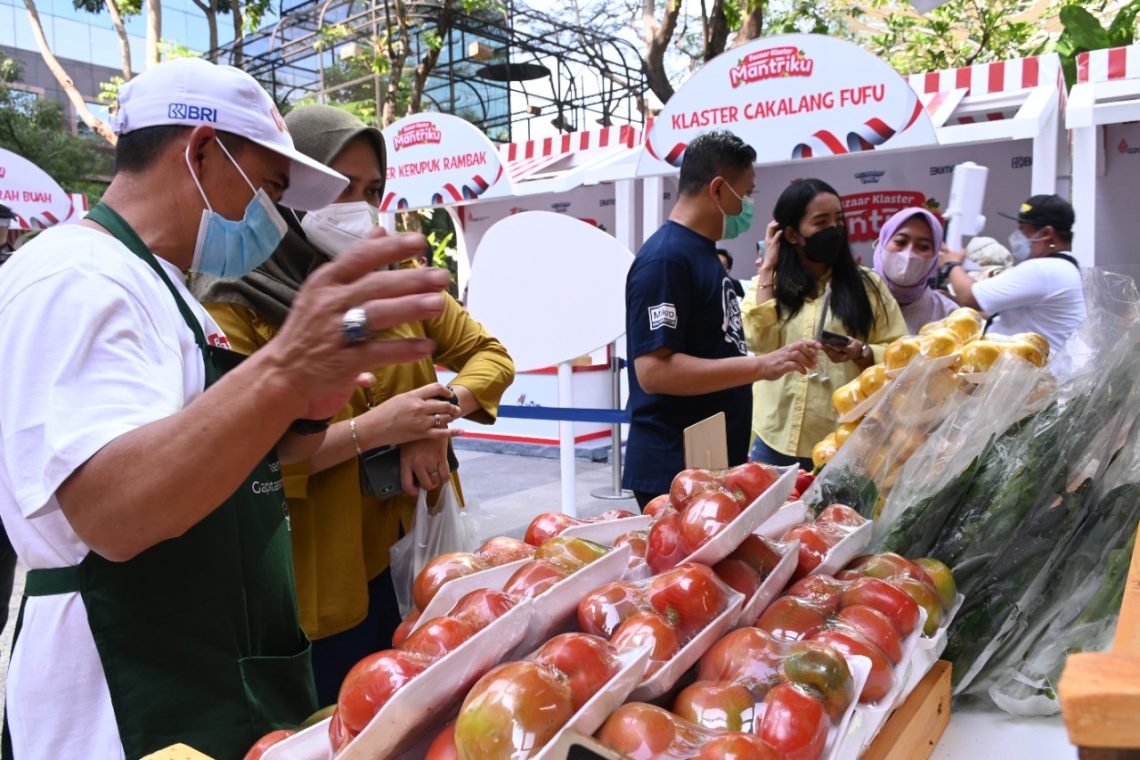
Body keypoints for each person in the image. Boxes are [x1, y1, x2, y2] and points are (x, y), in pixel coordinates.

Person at [0, 58, 452, 759]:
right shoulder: (76, 278)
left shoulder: (165, 287)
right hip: (126, 693)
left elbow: (206, 454)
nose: (276, 221)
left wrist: (299, 406)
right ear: (203, 151)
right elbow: (113, 513)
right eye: (271, 190)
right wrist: (280, 371)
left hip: (202, 659)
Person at [195, 103, 515, 706]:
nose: (359, 206)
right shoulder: (233, 299)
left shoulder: (394, 275)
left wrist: (437, 413)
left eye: (371, 189)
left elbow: (490, 355)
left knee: (428, 711)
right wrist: (374, 429)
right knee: (345, 721)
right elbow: (243, 458)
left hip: (420, 548)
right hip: (322, 577)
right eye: (339, 187)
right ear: (289, 187)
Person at [622, 130, 819, 508]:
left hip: (707, 464)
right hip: (675, 470)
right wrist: (759, 367)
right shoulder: (666, 259)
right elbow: (654, 371)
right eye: (745, 193)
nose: (748, 204)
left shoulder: (702, 255)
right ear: (717, 189)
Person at [743, 178, 908, 470]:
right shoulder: (766, 286)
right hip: (776, 441)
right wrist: (768, 266)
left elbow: (900, 353)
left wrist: (863, 352)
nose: (834, 229)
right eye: (821, 222)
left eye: (839, 220)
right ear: (791, 234)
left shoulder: (869, 286)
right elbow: (759, 343)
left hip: (847, 442)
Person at [940, 194, 1086, 351]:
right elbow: (1001, 313)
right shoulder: (1064, 267)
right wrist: (950, 300)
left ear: (1046, 234)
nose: (1017, 237)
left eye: (1023, 230)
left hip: (1041, 373)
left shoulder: (1044, 269)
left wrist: (951, 264)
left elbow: (970, 297)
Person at [872, 207, 956, 333]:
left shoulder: (947, 315)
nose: (909, 254)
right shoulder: (848, 294)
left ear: (935, 257)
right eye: (901, 242)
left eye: (923, 247)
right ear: (883, 242)